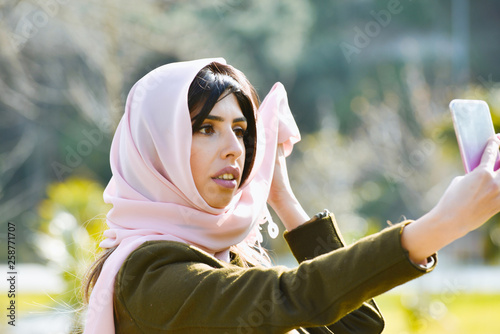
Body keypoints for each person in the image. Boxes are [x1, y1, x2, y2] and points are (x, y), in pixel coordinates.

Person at [81, 58, 500, 334]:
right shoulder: (147, 273)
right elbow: (292, 295)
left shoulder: (235, 256)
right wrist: (443, 225)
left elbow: (357, 328)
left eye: (242, 130)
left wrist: (282, 198)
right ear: (157, 147)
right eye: (206, 128)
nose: (233, 147)